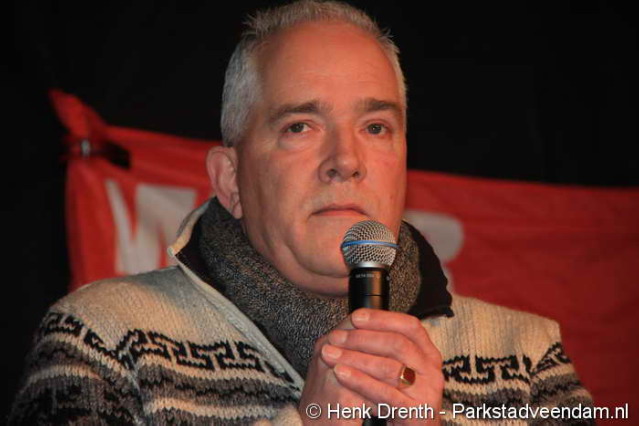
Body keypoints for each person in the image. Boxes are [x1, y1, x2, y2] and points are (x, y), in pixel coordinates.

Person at [10, 1, 593, 424]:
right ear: (231, 179)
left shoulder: (525, 358)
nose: (346, 161)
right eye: (300, 127)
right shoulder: (103, 340)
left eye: (375, 127)